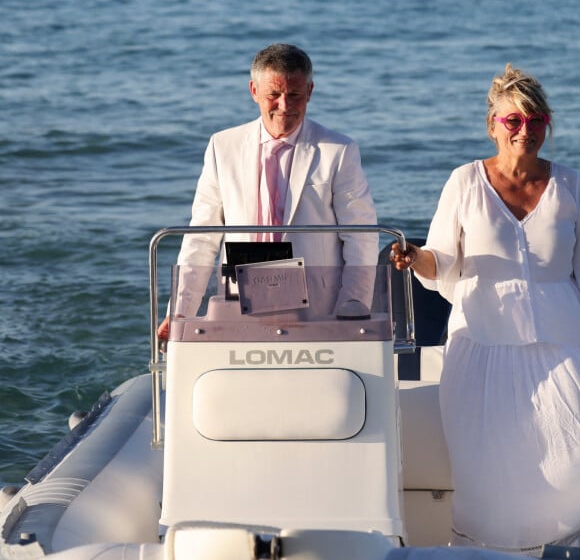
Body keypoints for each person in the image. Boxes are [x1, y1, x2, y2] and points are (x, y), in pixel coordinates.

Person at [391, 63, 580, 553]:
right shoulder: (465, 182)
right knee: (487, 482)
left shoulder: (571, 187)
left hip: (562, 347)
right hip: (481, 350)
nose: (525, 131)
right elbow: (441, 260)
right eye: (513, 121)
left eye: (535, 122)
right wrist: (414, 258)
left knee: (568, 468)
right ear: (492, 125)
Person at [158, 43, 378, 339]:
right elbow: (202, 235)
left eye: (295, 95)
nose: (284, 106)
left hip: (319, 307)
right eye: (274, 95)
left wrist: (354, 305)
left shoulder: (339, 150)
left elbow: (360, 234)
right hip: (240, 299)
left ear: (310, 91)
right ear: (254, 91)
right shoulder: (222, 146)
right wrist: (181, 311)